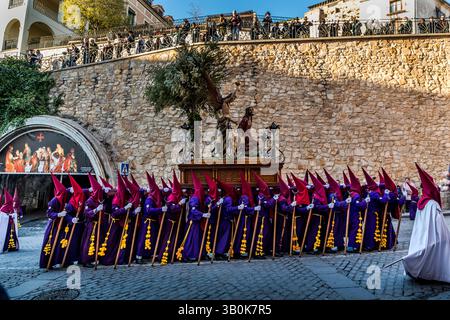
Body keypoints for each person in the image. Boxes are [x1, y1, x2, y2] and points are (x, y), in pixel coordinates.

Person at [402, 163, 450, 283]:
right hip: (434, 235)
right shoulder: (433, 204)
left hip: (422, 235)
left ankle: (421, 272)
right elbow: (439, 224)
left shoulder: (421, 202)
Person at [39, 174, 75, 268]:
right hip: (53, 226)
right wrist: (58, 214)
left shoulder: (65, 200)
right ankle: (48, 263)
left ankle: (62, 261)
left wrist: (71, 219)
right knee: (51, 243)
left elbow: (65, 214)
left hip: (62, 226)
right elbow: (49, 214)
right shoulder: (54, 201)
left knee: (62, 243)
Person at [134, 172, 165, 264]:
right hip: (147, 222)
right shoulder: (149, 200)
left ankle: (148, 254)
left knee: (151, 239)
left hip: (152, 222)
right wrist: (160, 209)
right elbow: (149, 210)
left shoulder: (153, 199)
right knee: (143, 239)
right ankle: (138, 256)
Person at [79, 173, 106, 267]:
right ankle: (86, 260)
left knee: (98, 241)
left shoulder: (99, 200)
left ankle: (96, 257)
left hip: (99, 223)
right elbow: (87, 213)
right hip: (92, 225)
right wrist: (96, 210)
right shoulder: (90, 201)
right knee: (90, 242)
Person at [252, 173, 275, 258]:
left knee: (266, 235)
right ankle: (258, 252)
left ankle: (263, 250)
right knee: (261, 235)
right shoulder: (261, 196)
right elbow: (267, 205)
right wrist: (273, 199)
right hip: (261, 219)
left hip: (265, 218)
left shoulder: (264, 195)